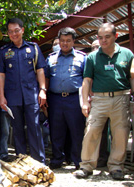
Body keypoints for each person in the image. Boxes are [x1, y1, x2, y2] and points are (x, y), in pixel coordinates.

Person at [74, 23, 134, 180]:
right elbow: (87, 80)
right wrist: (85, 102)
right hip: (99, 99)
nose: (103, 40)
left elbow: (132, 77)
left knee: (120, 133)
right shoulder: (93, 57)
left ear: (115, 36)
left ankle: (116, 167)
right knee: (91, 131)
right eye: (100, 37)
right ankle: (86, 166)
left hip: (121, 97)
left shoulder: (127, 54)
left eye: (107, 37)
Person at [0, 18, 47, 163]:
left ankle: (39, 161)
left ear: (22, 30)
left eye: (16, 30)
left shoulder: (33, 48)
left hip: (31, 95)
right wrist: (2, 96)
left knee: (34, 127)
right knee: (16, 129)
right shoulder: (4, 51)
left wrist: (43, 90)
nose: (14, 34)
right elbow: (1, 75)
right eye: (10, 32)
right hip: (13, 96)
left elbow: (40, 70)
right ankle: (22, 161)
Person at [45, 27, 86, 170]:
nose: (65, 43)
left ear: (74, 41)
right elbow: (46, 78)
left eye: (68, 41)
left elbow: (87, 80)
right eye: (62, 40)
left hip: (74, 99)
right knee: (56, 131)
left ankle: (78, 160)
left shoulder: (82, 57)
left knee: (76, 131)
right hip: (55, 99)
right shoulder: (51, 58)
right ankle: (57, 159)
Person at [90, 39, 110, 168]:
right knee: (94, 130)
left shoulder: (109, 59)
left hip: (111, 99)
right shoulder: (90, 61)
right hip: (92, 100)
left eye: (97, 46)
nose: (95, 49)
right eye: (93, 47)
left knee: (110, 131)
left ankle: (107, 157)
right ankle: (94, 157)